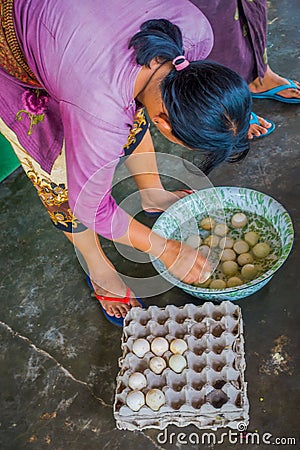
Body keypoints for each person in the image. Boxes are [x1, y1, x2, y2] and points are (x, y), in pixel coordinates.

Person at [0, 0, 298, 325]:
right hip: (17, 25)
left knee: (139, 100)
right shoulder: (101, 106)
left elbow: (145, 97)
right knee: (59, 170)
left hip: (80, 31)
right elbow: (88, 205)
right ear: (166, 125)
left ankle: (152, 194)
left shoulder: (194, 35)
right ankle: (99, 268)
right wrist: (166, 249)